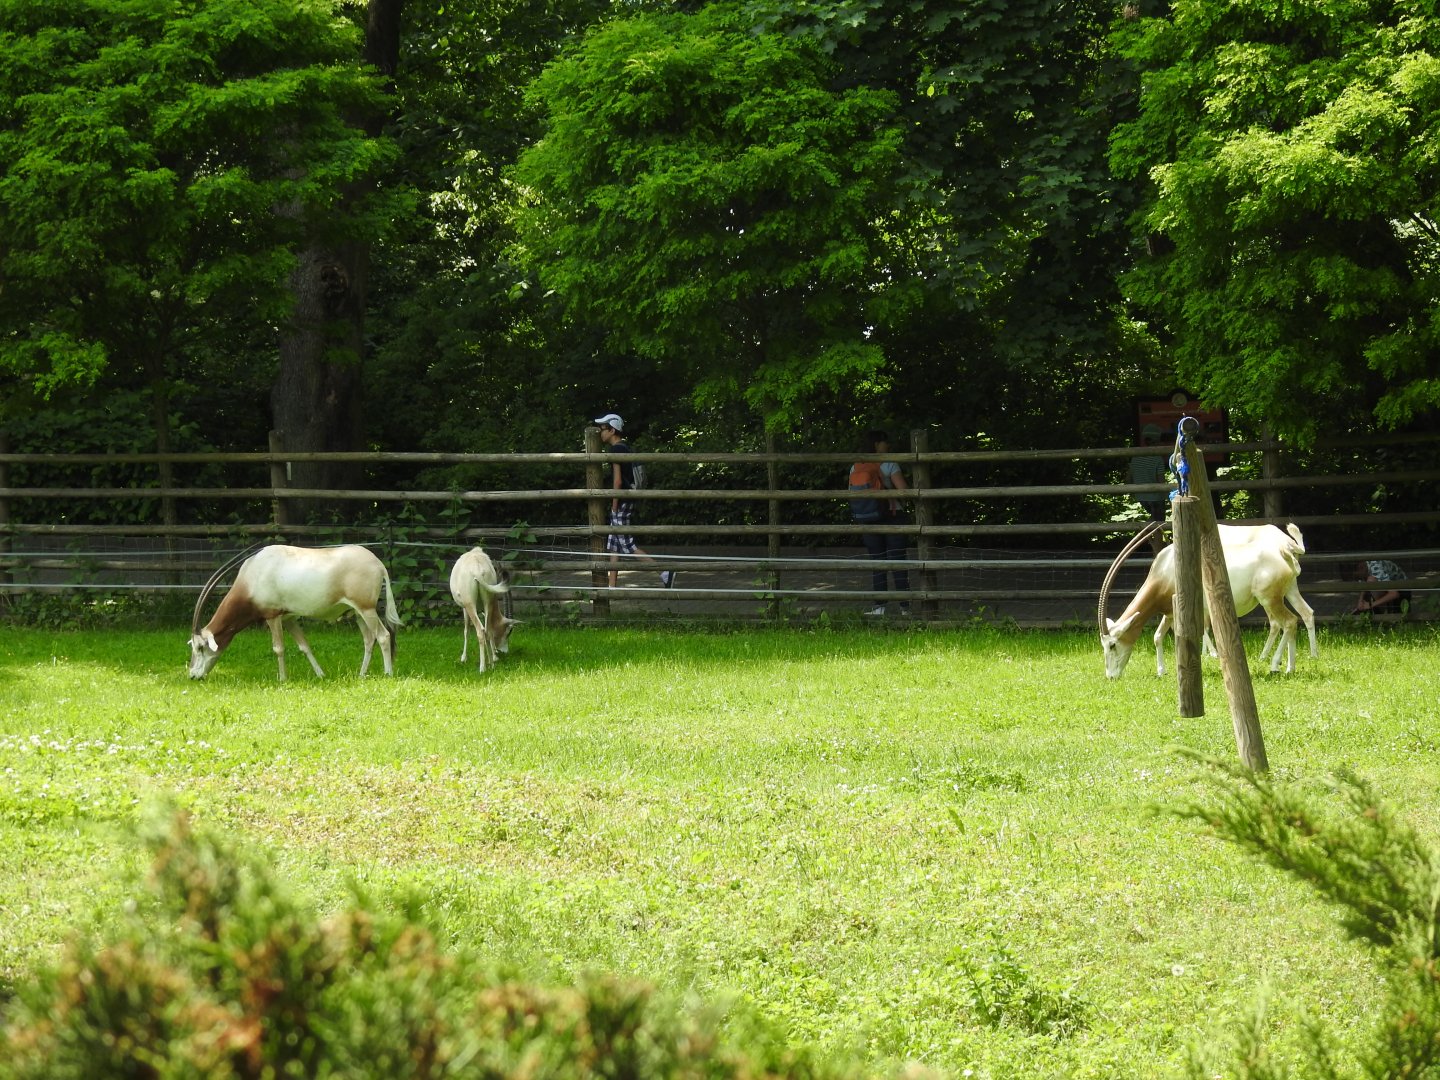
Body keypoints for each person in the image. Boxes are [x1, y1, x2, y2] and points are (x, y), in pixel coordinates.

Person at [593, 413, 675, 590]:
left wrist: (614, 505)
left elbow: (618, 482)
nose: (600, 432)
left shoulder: (616, 450)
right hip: (628, 498)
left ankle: (664, 572)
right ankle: (612, 588)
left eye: (603, 429)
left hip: (621, 501)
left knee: (627, 544)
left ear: (612, 430)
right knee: (614, 544)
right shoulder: (625, 447)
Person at [849, 429, 910, 616]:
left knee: (877, 561)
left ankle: (879, 607)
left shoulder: (856, 466)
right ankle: (904, 607)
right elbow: (903, 490)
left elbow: (851, 494)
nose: (888, 445)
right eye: (885, 441)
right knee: (897, 561)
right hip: (892, 515)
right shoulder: (889, 463)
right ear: (876, 444)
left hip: (867, 518)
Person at [1128, 424, 1171, 554]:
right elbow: (1161, 482)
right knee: (1158, 524)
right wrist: (1169, 494)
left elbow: (1128, 479)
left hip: (1141, 497)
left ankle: (1152, 548)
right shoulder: (1157, 458)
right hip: (1156, 497)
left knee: (1156, 523)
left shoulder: (1135, 457)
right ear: (1157, 441)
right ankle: (1141, 544)